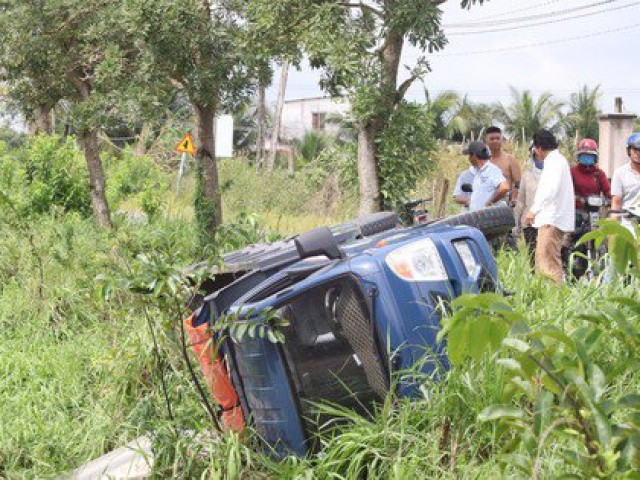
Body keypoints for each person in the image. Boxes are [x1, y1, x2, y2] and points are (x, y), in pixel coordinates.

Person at [524, 129, 575, 284]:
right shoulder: (559, 160)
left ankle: (554, 299)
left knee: (548, 263)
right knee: (545, 261)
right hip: (553, 219)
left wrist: (533, 210)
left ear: (538, 148)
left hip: (551, 219)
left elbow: (549, 190)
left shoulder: (553, 162)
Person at [462, 141, 509, 212]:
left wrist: (490, 203)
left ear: (474, 156)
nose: (469, 158)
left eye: (469, 155)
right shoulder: (478, 171)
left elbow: (504, 187)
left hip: (487, 217)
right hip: (476, 217)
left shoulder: (491, 170)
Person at [514, 143, 543, 257]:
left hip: (548, 223)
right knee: (532, 257)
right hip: (530, 223)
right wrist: (516, 225)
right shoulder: (527, 175)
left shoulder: (554, 175)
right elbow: (521, 201)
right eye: (537, 154)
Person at [485, 126, 522, 206]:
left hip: (504, 202)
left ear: (502, 140)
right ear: (486, 141)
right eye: (491, 139)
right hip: (486, 202)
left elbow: (518, 183)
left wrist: (513, 200)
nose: (495, 141)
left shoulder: (510, 159)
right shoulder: (483, 161)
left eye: (498, 138)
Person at [611, 132, 640, 228]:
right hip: (628, 224)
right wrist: (614, 231)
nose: (638, 153)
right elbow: (616, 203)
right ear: (629, 151)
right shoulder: (620, 173)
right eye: (635, 149)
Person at [570, 138, 611, 203]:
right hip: (575, 210)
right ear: (579, 156)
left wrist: (613, 198)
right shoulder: (572, 172)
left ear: (595, 157)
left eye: (590, 155)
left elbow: (608, 192)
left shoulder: (599, 174)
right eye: (584, 154)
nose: (587, 156)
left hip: (595, 211)